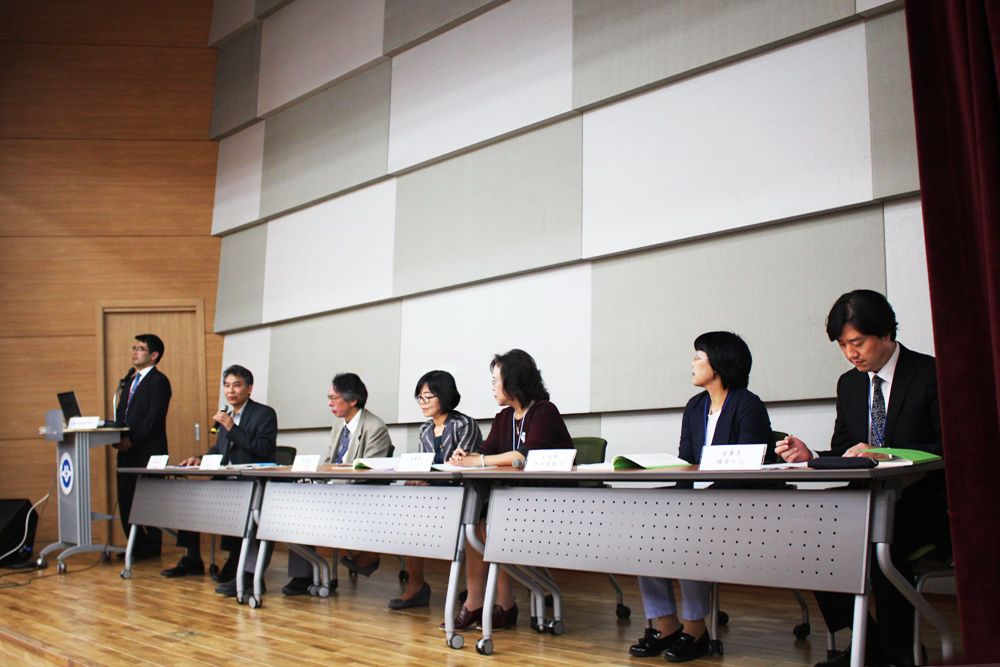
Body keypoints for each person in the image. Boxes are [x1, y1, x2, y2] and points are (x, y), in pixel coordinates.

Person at [775, 290, 948, 667]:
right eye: (842, 345)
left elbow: (948, 448)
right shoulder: (850, 384)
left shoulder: (930, 373)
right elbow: (845, 451)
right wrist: (812, 456)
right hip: (865, 499)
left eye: (857, 342)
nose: (850, 354)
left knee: (878, 535)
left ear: (886, 332)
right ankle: (866, 644)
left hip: (922, 501)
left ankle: (900, 651)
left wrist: (888, 453)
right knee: (809, 538)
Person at [629, 332, 774, 662]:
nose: (692, 363)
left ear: (719, 364)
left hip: (735, 505)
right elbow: (686, 463)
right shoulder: (695, 407)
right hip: (696, 503)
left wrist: (694, 503)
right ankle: (667, 625)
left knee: (688, 530)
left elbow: (749, 469)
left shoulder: (748, 405)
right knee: (644, 532)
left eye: (698, 357)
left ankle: (696, 629)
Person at [447, 349, 573, 631]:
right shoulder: (504, 417)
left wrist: (478, 461)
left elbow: (524, 455)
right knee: (474, 525)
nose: (492, 387)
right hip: (514, 501)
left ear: (513, 382)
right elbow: (487, 451)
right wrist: (465, 456)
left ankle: (504, 604)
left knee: (492, 525)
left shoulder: (544, 411)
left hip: (552, 503)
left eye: (496, 381)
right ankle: (477, 603)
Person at [160, 365, 278, 596]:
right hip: (226, 481)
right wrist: (200, 458)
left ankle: (240, 569)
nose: (230, 391)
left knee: (242, 512)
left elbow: (264, 449)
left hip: (251, 483)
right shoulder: (227, 417)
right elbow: (219, 451)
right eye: (226, 386)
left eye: (237, 385)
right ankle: (192, 558)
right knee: (189, 500)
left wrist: (232, 428)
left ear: (249, 388)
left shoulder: (263, 414)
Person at [282, 373, 393, 595]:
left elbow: (368, 472)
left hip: (358, 496)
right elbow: (329, 463)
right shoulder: (338, 425)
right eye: (329, 398)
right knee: (296, 502)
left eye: (335, 398)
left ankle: (318, 573)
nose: (330, 403)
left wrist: (330, 482)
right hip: (333, 490)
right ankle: (303, 575)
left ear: (353, 400)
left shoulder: (375, 427)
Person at [388, 370, 483, 610]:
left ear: (445, 395)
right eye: (419, 398)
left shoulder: (464, 424)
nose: (423, 403)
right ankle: (417, 585)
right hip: (434, 497)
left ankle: (473, 593)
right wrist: (419, 479)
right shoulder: (424, 429)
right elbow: (425, 467)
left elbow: (464, 467)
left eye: (428, 397)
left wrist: (428, 481)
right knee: (405, 517)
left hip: (463, 496)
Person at [114, 334, 171, 560]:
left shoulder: (159, 381)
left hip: (148, 451)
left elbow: (154, 417)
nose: (134, 352)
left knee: (150, 499)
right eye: (134, 348)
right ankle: (135, 545)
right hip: (126, 450)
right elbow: (121, 412)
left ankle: (152, 546)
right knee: (126, 499)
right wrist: (117, 436)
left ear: (154, 355)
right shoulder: (129, 381)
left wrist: (133, 439)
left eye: (140, 349)